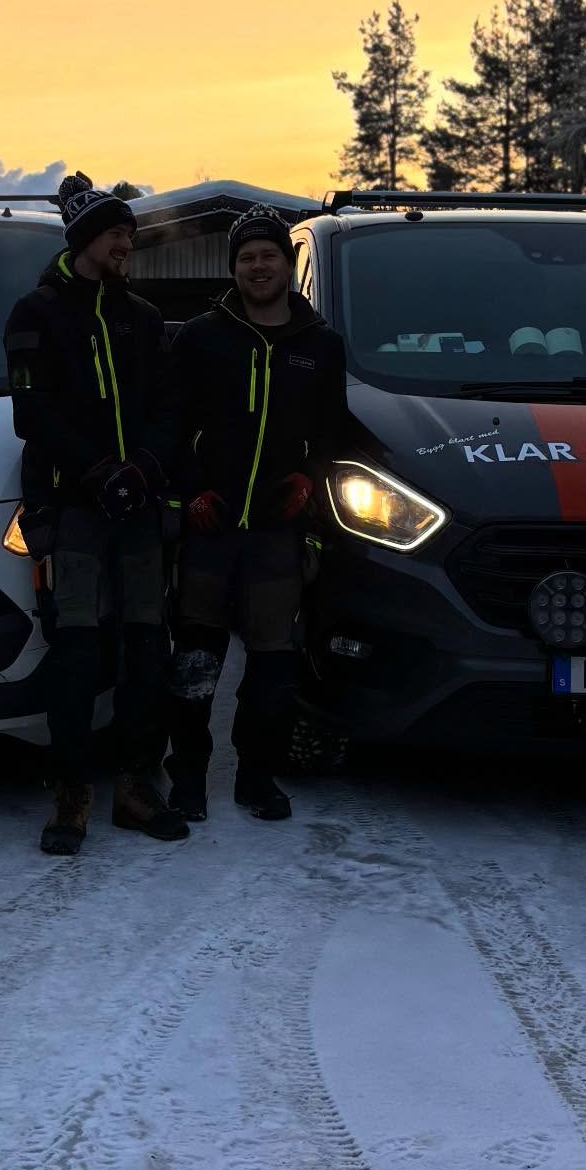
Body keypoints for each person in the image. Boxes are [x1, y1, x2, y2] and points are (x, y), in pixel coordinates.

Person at [5, 173, 189, 855]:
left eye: (131, 236)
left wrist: (140, 469)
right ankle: (71, 795)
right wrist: (95, 471)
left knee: (147, 649)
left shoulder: (142, 318)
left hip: (137, 508)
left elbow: (171, 408)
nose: (128, 246)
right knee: (76, 652)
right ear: (86, 239)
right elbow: (34, 413)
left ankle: (139, 788)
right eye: (119, 234)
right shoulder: (36, 314)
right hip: (76, 510)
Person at [164, 207, 348, 823]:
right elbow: (169, 427)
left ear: (286, 263)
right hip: (209, 532)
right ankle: (187, 776)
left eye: (268, 254)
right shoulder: (199, 337)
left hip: (276, 534)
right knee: (195, 666)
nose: (258, 266)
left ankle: (256, 777)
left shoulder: (320, 345)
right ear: (233, 268)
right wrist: (189, 493)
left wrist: (309, 479)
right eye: (246, 257)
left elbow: (330, 435)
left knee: (272, 666)